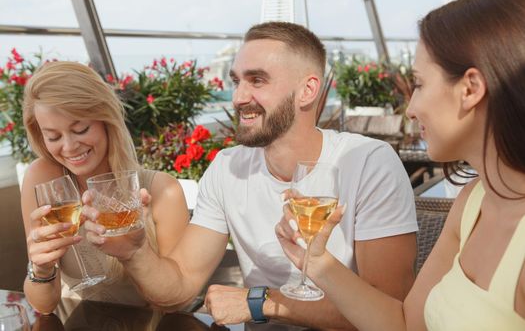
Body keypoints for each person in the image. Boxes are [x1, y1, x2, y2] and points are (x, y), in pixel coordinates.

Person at [82, 21, 418, 329]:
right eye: (236, 81)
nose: (239, 97)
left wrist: (262, 302)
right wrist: (134, 252)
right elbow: (179, 288)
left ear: (308, 90)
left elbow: (390, 312)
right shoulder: (227, 167)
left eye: (257, 80)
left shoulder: (369, 163)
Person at [276, 0, 525, 330]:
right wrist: (316, 262)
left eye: (419, 84)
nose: (410, 109)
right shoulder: (473, 203)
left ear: (470, 89)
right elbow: (406, 324)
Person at [21, 61, 189, 314]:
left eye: (80, 129)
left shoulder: (163, 190)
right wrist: (41, 269)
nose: (68, 147)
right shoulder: (42, 178)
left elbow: (175, 304)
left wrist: (135, 253)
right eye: (53, 136)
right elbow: (43, 305)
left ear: (106, 120)